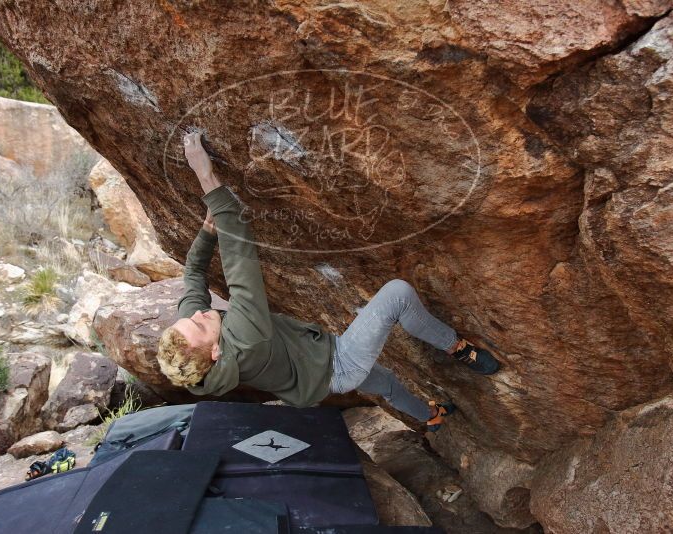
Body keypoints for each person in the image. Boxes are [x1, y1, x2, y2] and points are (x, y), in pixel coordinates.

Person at [156, 132, 500, 432]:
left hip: (317, 366)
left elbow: (193, 276)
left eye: (190, 317)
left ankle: (430, 417)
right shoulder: (245, 342)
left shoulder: (199, 345)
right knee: (397, 294)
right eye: (198, 324)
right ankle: (455, 347)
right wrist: (206, 177)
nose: (199, 314)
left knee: (387, 384)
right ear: (216, 352)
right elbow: (240, 264)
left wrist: (205, 233)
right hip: (337, 366)